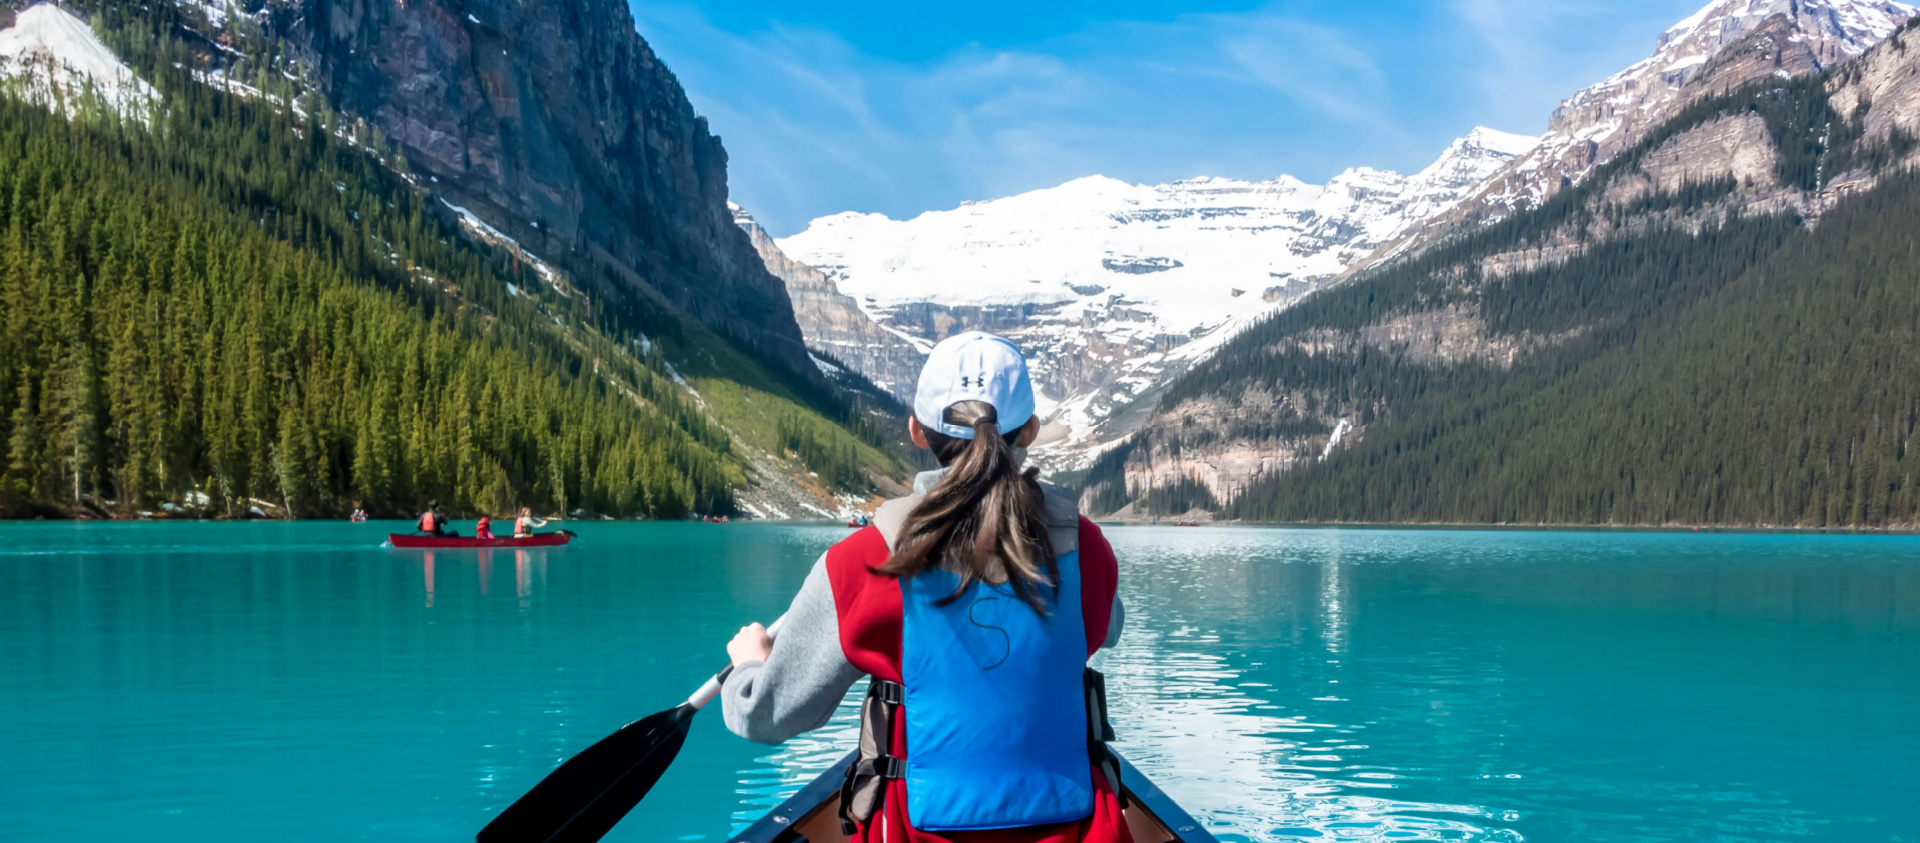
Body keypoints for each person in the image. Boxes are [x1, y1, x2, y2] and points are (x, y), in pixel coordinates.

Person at [720, 332, 1129, 843]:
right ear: (1030, 431)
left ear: (916, 430)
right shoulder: (1085, 548)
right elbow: (1108, 627)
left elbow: (767, 716)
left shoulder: (863, 562)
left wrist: (750, 668)